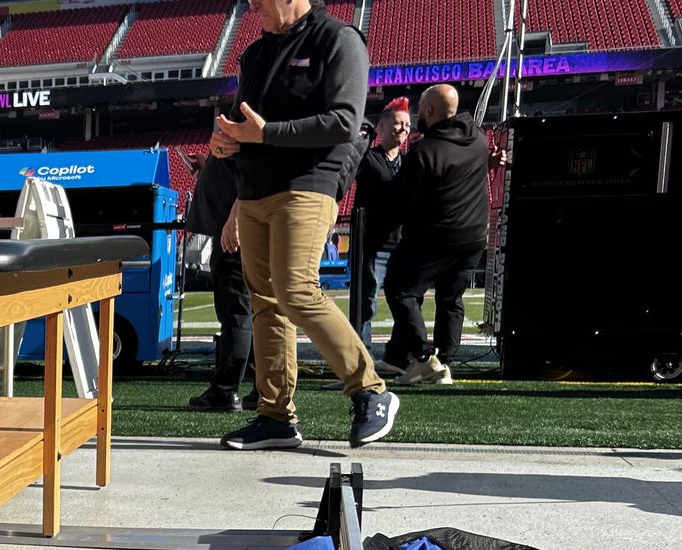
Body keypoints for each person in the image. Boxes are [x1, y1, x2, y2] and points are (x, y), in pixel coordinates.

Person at [209, 0, 400, 451]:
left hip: (307, 186)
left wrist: (264, 134)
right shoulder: (256, 53)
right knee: (265, 302)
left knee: (296, 289)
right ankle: (275, 417)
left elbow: (346, 121)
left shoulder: (338, 39)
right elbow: (248, 126)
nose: (252, 3)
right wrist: (229, 143)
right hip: (254, 189)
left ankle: (371, 390)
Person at [379, 84, 488, 386]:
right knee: (451, 299)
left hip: (437, 236)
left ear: (428, 111)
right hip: (474, 236)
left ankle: (426, 358)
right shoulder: (477, 138)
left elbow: (402, 201)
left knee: (400, 289)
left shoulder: (425, 152)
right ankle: (444, 362)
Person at [180, 151, 257, 412]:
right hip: (238, 227)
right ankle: (264, 389)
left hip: (235, 232)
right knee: (254, 311)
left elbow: (252, 175)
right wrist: (209, 165)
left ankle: (226, 390)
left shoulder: (246, 121)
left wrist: (234, 219)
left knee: (236, 311)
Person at [351, 100, 411, 356]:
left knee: (405, 302)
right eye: (398, 123)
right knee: (367, 302)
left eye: (407, 124)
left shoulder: (411, 162)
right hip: (372, 244)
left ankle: (397, 353)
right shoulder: (367, 158)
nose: (403, 129)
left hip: (402, 244)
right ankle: (360, 354)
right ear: (382, 127)